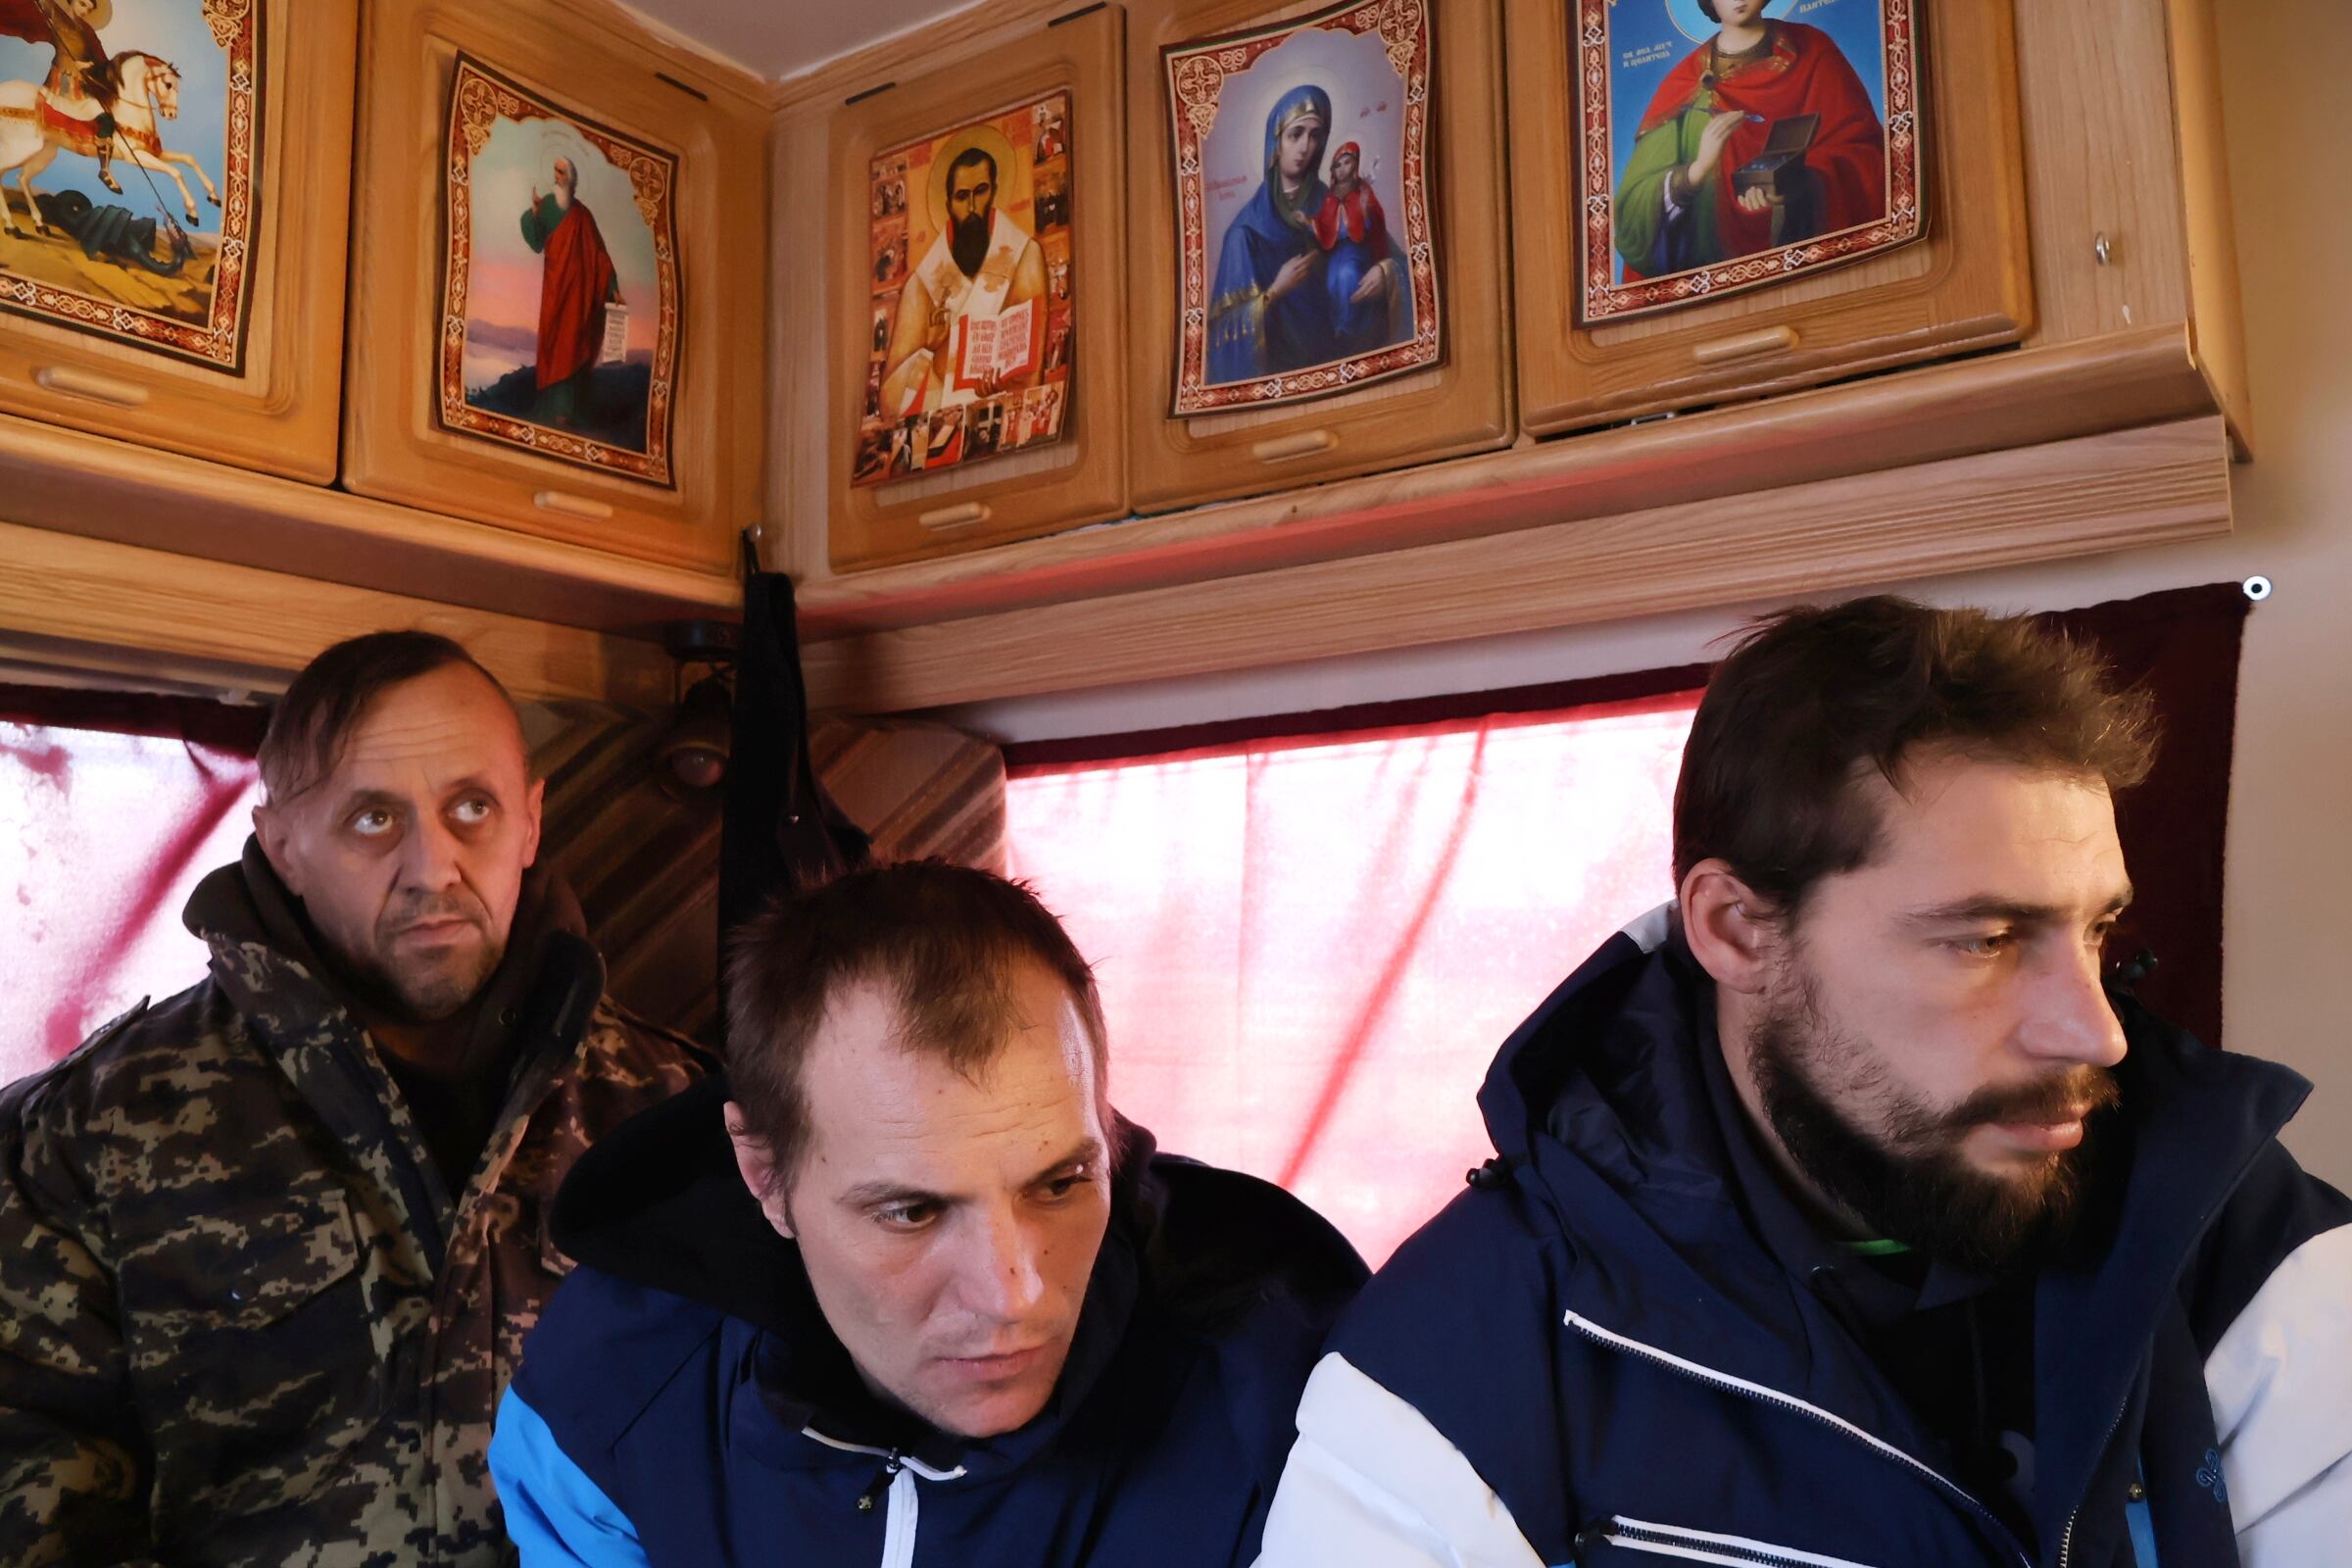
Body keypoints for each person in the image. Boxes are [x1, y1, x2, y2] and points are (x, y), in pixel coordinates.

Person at [1256, 598, 2352, 1568]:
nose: (2098, 1033)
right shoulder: (1464, 1357)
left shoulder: (2234, 1234)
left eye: (2097, 930)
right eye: (1984, 939)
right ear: (1737, 929)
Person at [0, 631, 714, 1566]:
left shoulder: (680, 1112)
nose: (433, 867)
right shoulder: (89, 1130)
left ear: (531, 823)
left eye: (472, 808)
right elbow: (33, 1501)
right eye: (374, 820)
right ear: (283, 846)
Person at [490, 861, 1366, 1565]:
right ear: (764, 1173)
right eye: (911, 1211)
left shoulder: (1292, 1402)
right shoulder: (611, 1395)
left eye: (1059, 1183)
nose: (1012, 1294)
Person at [1613, 0, 1886, 279]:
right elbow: (1634, 207)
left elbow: (1863, 153)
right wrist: (1696, 172)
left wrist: (1794, 188)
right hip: (1713, 278)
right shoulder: (1684, 83)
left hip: (1809, 267)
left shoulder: (1813, 50)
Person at [877, 143, 1047, 418]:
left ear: (993, 191)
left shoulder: (1025, 258)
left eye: (980, 192)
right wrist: (929, 355)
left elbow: (1031, 381)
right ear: (947, 204)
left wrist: (1001, 387)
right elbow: (888, 407)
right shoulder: (921, 287)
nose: (971, 207)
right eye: (961, 196)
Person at [519, 156, 623, 427]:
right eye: (555, 170)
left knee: (572, 345)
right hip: (555, 290)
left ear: (572, 178)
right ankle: (550, 410)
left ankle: (567, 412)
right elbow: (535, 242)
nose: (557, 175)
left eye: (562, 172)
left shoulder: (583, 216)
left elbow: (599, 255)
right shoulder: (548, 207)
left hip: (579, 295)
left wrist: (612, 288)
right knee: (554, 344)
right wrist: (532, 213)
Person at [0, 0, 119, 178]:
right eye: (83, 4)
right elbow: (34, 11)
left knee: (106, 119)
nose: (85, 11)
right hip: (60, 83)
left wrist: (89, 66)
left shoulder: (87, 31)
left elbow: (101, 61)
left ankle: (105, 170)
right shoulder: (55, 14)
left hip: (81, 86)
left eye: (89, 9)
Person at [1310, 141, 1395, 360]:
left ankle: (1352, 329)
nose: (1342, 169)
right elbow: (1322, 222)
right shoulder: (1329, 196)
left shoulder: (1363, 191)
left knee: (1348, 276)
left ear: (1355, 165)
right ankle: (1338, 327)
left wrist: (1366, 214)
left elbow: (1375, 219)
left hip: (1357, 250)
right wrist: (1310, 223)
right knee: (1331, 283)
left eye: (1347, 163)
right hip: (1337, 251)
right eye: (1337, 165)